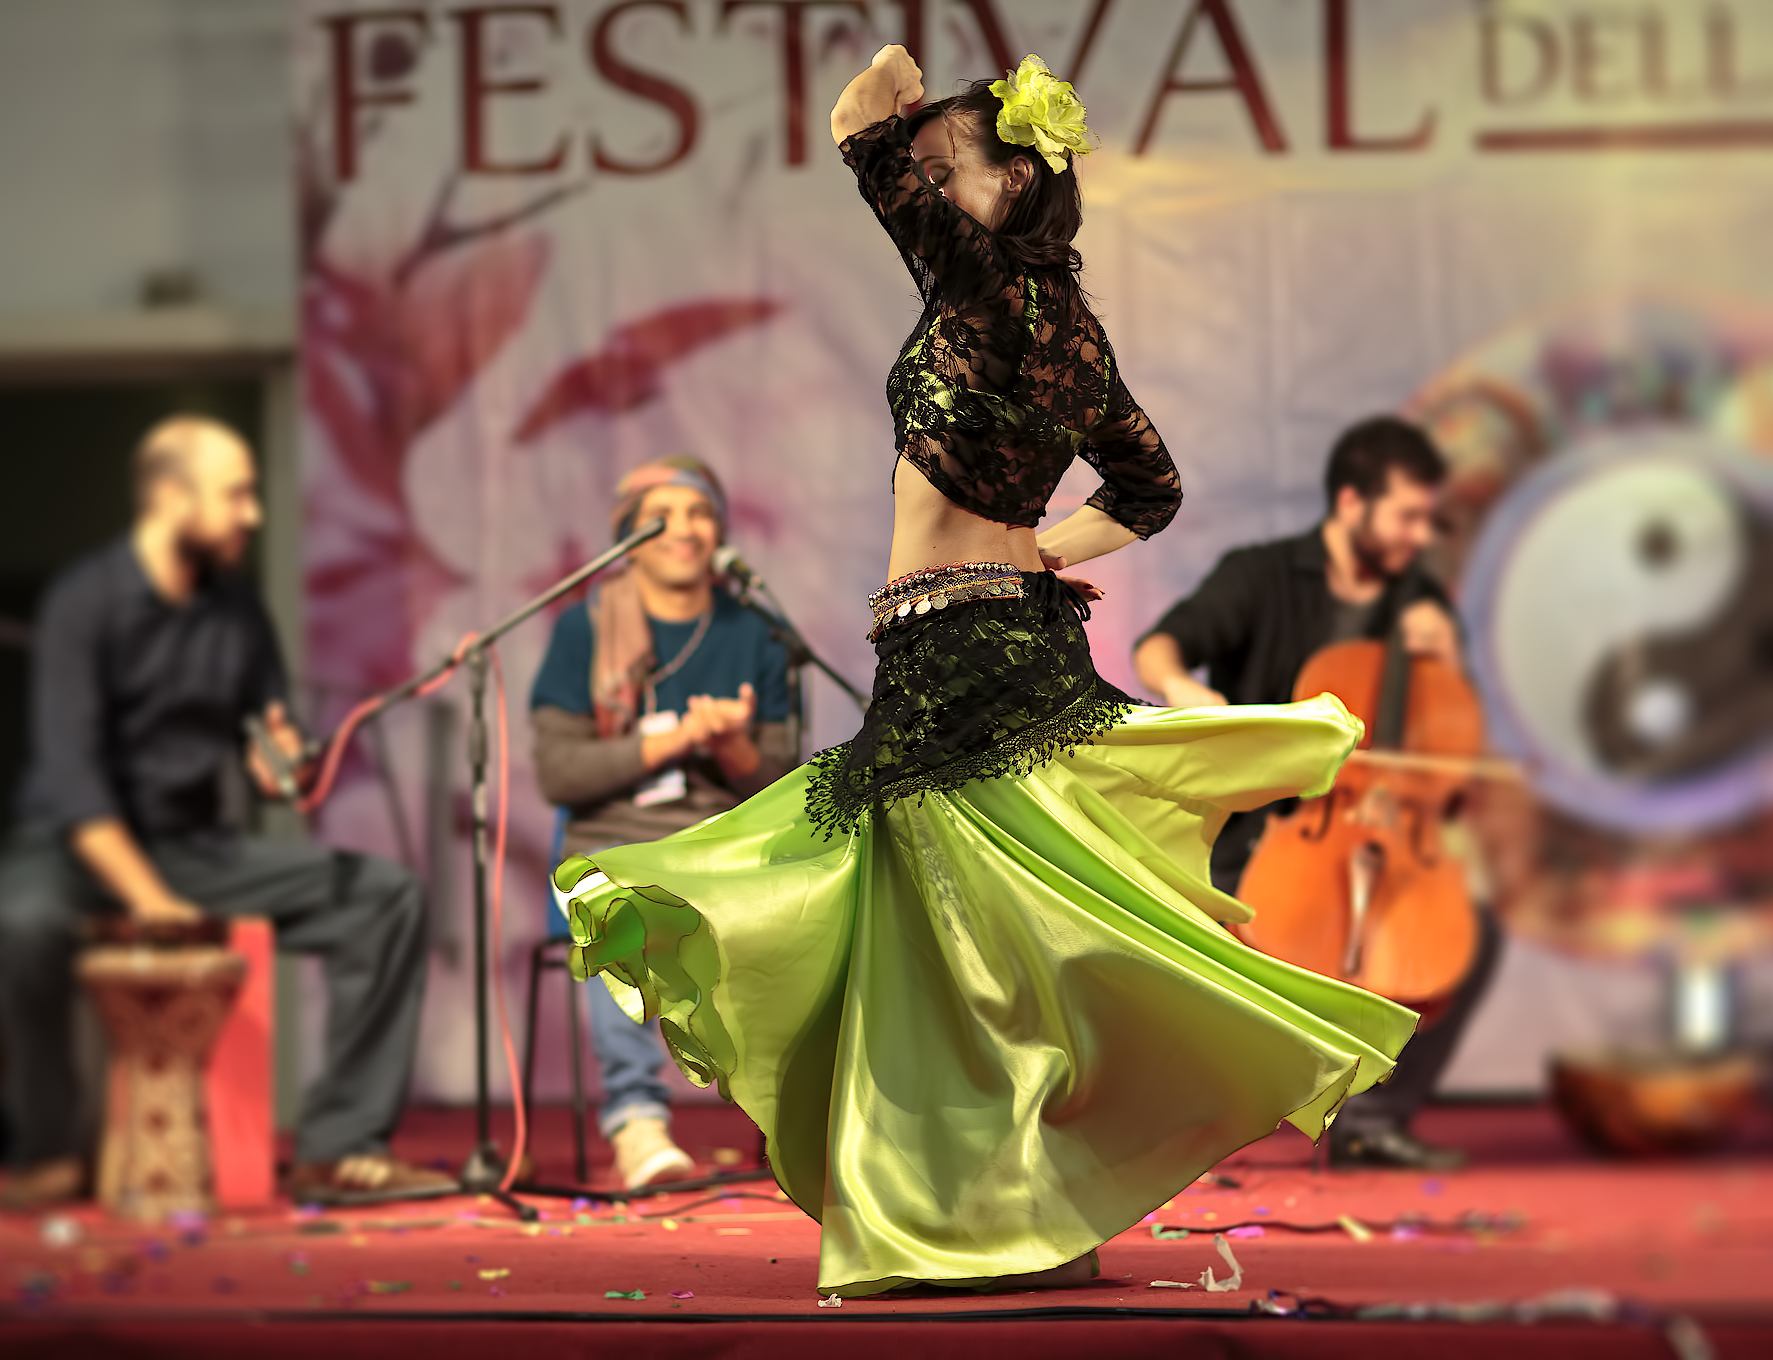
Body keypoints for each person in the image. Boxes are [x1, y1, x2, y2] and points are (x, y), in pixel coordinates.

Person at [553, 49, 1416, 1298]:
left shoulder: (985, 284)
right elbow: (1151, 489)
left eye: (947, 170)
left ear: (1014, 181)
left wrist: (895, 90)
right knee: (986, 938)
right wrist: (1041, 551)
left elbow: (858, 127)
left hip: (961, 650)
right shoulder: (1068, 327)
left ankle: (980, 1216)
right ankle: (1020, 1216)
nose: (929, 187)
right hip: (992, 632)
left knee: (954, 940)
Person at [0, 415, 449, 1210]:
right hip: (75, 850)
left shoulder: (238, 611)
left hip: (193, 847)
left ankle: (341, 1146)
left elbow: (271, 746)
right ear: (172, 496)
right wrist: (151, 902)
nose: (253, 514)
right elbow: (74, 785)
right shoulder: (82, 604)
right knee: (25, 921)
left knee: (386, 898)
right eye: (237, 494)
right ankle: (50, 1149)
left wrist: (284, 767)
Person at [1133, 415, 1503, 1170]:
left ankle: (1371, 1120)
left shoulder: (1421, 603)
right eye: (1406, 517)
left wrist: (1449, 661)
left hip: (1390, 836)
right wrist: (1178, 686)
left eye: (1428, 520)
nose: (1419, 537)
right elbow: (1160, 646)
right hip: (1258, 834)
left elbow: (1449, 752)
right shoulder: (1260, 575)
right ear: (1351, 502)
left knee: (1478, 928)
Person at [530, 456, 797, 1188]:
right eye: (662, 516)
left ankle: (790, 1118)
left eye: (700, 513)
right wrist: (675, 739)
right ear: (628, 538)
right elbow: (560, 773)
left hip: (715, 840)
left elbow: (780, 782)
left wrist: (731, 746)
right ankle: (637, 1123)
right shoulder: (582, 630)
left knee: (806, 899)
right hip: (610, 843)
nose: (684, 530)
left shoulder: (759, 633)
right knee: (613, 906)